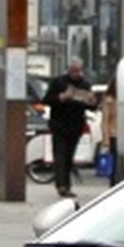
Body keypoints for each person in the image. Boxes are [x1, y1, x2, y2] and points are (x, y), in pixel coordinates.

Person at [46, 58, 95, 197]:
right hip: (59, 124)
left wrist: (91, 102)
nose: (75, 73)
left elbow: (91, 107)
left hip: (76, 125)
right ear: (68, 69)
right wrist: (61, 97)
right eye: (73, 70)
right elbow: (47, 100)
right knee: (59, 155)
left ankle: (66, 185)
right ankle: (61, 185)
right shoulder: (59, 82)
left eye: (78, 71)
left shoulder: (85, 85)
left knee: (69, 156)